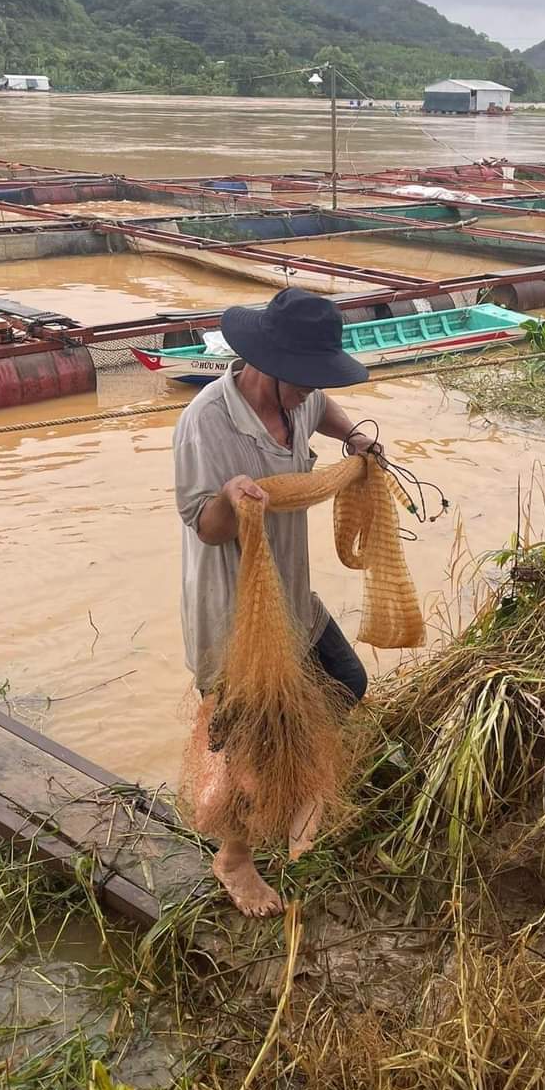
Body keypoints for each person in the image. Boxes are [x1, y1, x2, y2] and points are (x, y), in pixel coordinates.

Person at [174, 288, 380, 917]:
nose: (309, 389)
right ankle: (234, 857)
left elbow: (322, 408)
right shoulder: (208, 421)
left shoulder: (300, 391)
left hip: (292, 594)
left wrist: (354, 438)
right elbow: (203, 527)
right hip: (234, 613)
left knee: (345, 680)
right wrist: (231, 500)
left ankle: (295, 795)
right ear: (263, 360)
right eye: (302, 378)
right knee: (249, 737)